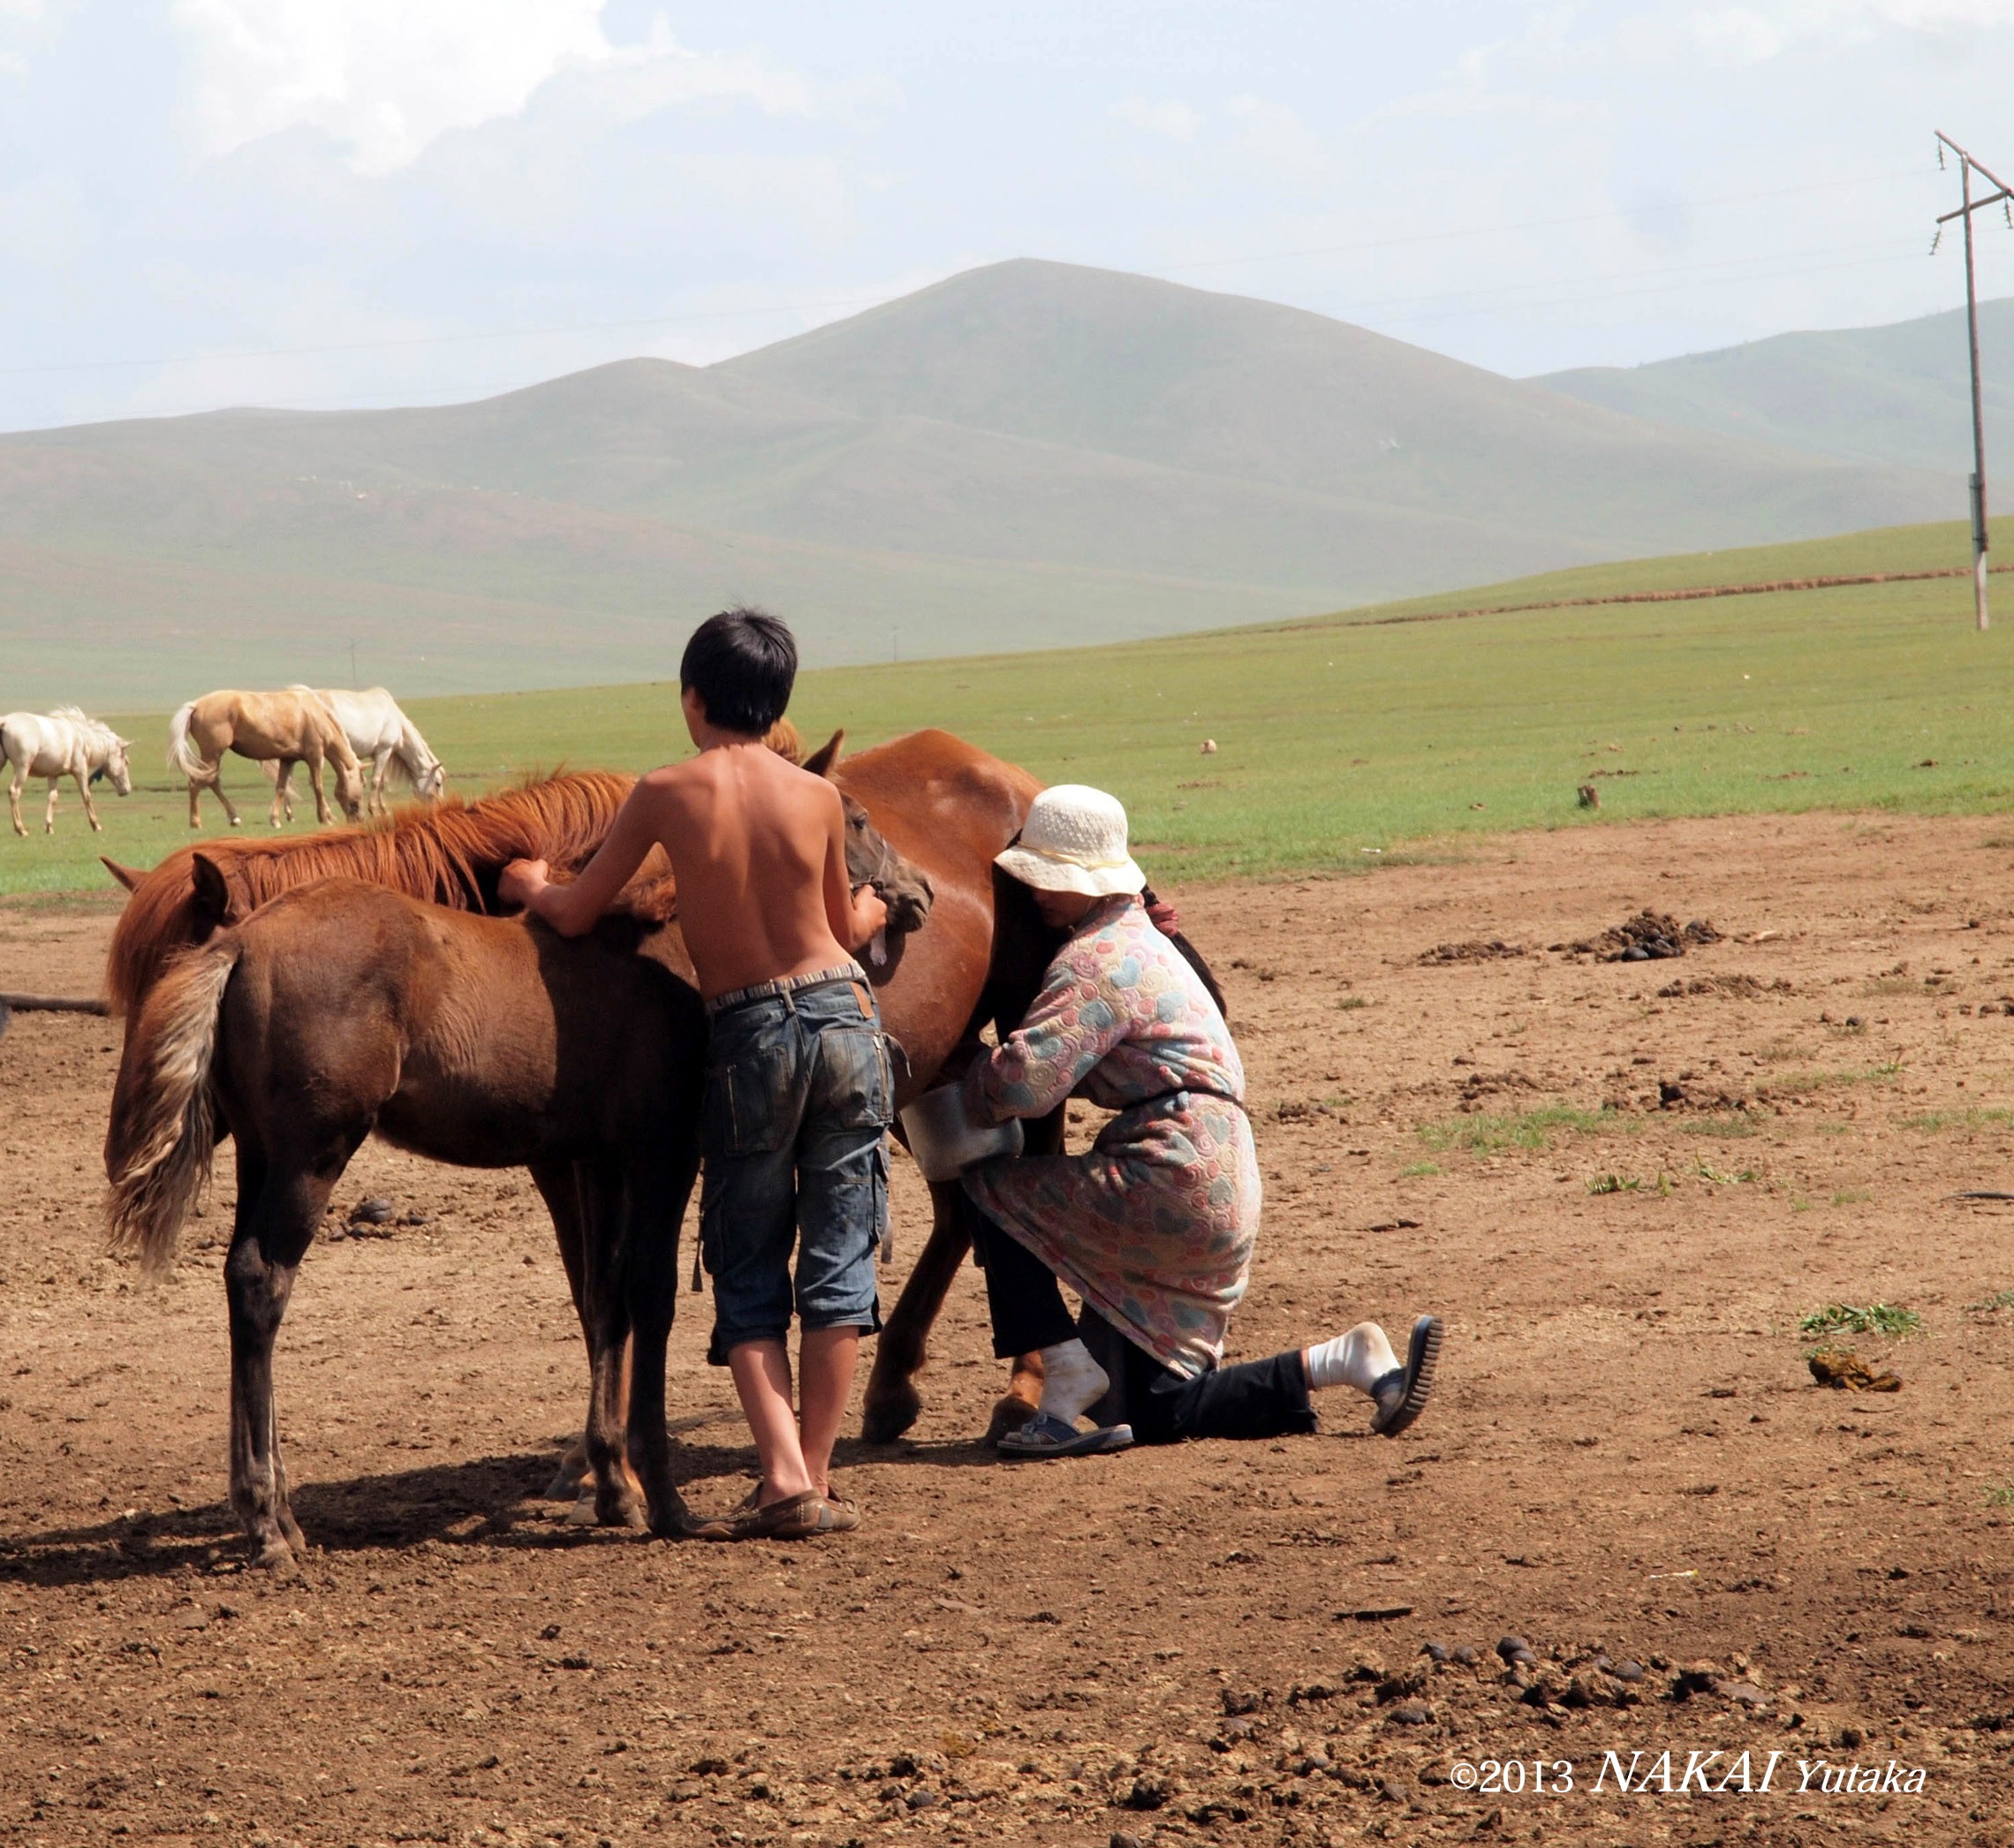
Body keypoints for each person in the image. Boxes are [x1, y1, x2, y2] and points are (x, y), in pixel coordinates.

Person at [500, 607, 892, 1538]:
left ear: (692, 699)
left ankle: (784, 1477)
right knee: (840, 1256)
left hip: (752, 1032)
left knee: (747, 1258)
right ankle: (813, 1476)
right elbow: (842, 929)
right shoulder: (816, 796)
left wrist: (528, 884)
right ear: (778, 703)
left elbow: (578, 910)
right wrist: (876, 911)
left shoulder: (667, 791)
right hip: (846, 1020)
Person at [956, 784, 1442, 1458]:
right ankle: (1349, 1360)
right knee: (1155, 1407)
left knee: (988, 1192)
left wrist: (963, 1066)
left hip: (1170, 1171)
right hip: (1223, 1179)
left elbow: (1022, 1085)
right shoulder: (1147, 943)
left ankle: (1061, 1374)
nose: (1034, 890)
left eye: (1046, 875)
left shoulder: (1096, 959)